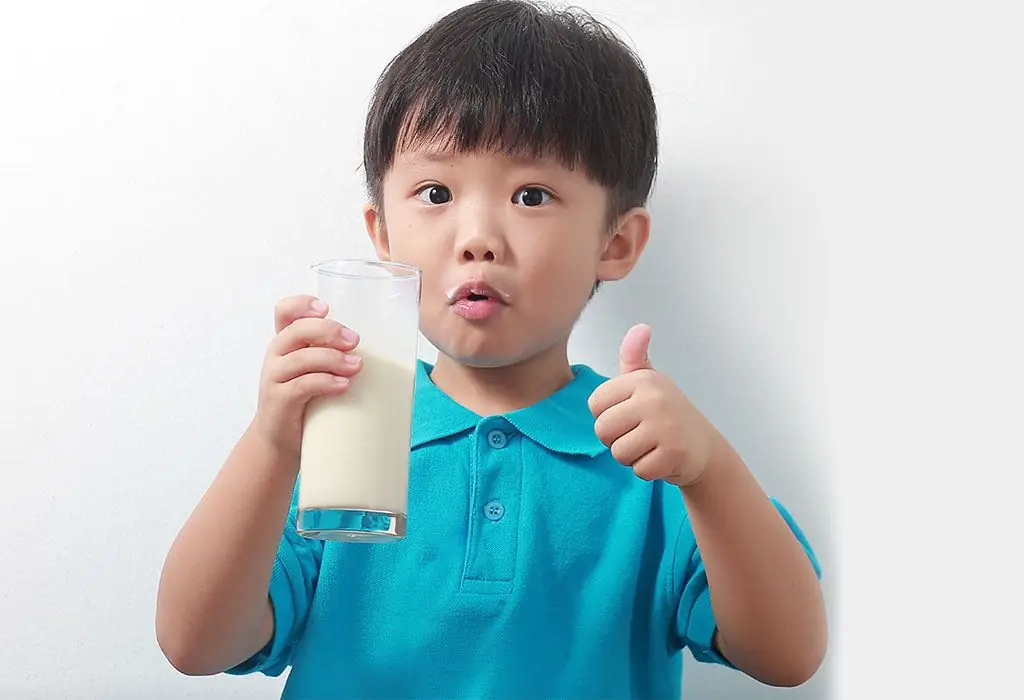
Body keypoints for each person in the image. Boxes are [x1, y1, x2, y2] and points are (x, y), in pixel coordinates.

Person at [156, 1, 827, 697]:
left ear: (615, 243)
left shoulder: (649, 457)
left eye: (531, 195)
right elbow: (194, 644)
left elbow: (788, 655)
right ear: (382, 235)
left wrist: (710, 471)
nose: (477, 235)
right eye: (436, 192)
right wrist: (271, 442)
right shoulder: (337, 436)